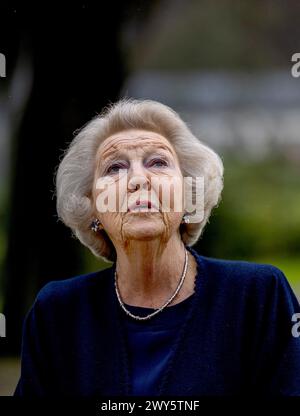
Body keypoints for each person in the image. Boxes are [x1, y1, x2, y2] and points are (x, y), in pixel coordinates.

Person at [14, 98, 300, 396]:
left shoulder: (257, 294)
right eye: (115, 168)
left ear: (189, 196)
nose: (138, 179)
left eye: (158, 162)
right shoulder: (58, 311)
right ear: (93, 210)